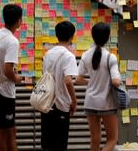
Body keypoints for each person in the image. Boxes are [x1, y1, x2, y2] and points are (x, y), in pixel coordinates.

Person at [76, 22, 120, 151]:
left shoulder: (85, 55)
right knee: (112, 140)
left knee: (95, 140)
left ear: (93, 36)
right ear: (107, 37)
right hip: (106, 103)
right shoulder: (111, 57)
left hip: (90, 102)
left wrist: (90, 83)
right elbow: (116, 82)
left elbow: (78, 80)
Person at [0, 4, 23, 151]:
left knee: (10, 131)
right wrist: (17, 78)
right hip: (3, 91)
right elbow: (8, 71)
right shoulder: (12, 41)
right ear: (19, 20)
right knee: (2, 133)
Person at [41, 21, 78, 151]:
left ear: (57, 35)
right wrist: (74, 100)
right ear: (72, 37)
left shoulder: (48, 54)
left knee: (47, 144)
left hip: (46, 103)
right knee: (60, 145)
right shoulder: (69, 56)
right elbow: (68, 81)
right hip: (61, 105)